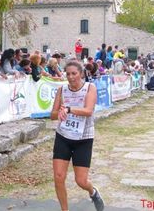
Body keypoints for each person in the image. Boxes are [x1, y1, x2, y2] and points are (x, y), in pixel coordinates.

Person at [50, 61, 104, 211]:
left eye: (74, 73)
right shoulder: (62, 89)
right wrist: (59, 112)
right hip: (63, 136)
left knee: (81, 181)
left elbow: (88, 111)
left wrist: (68, 109)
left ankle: (93, 192)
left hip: (83, 138)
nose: (71, 77)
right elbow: (52, 115)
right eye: (67, 74)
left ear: (81, 73)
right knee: (59, 177)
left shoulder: (89, 88)